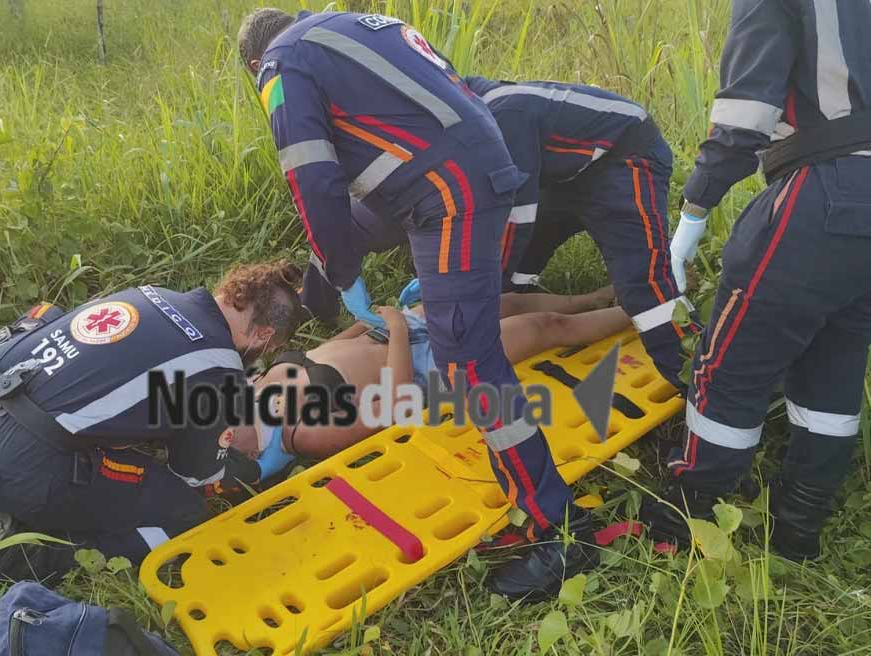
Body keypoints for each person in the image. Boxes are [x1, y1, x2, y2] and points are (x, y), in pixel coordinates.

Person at [239, 7, 597, 601]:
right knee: (466, 325)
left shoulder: (279, 66)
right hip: (469, 162)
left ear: (255, 63)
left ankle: (557, 525)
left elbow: (313, 178)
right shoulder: (351, 25)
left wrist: (345, 270)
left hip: (447, 188)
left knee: (470, 364)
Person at [640, 0, 871, 562]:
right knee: (837, 367)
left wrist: (693, 213)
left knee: (730, 367)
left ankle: (689, 520)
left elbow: (746, 116)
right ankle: (798, 532)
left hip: (825, 189)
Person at [0, 261, 305, 584]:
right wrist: (252, 468)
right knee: (184, 511)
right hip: (14, 471)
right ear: (263, 336)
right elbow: (196, 472)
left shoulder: (148, 294)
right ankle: (31, 558)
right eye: (267, 350)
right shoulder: (218, 366)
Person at [462, 76, 692, 390]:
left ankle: (694, 378)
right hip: (568, 170)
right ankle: (518, 306)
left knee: (644, 287)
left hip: (625, 159)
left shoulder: (503, 115)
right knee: (520, 264)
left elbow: (516, 215)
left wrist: (483, 283)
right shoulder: (470, 111)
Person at [259, 287, 625, 458]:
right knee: (542, 326)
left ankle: (586, 299)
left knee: (503, 302)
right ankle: (645, 312)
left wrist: (368, 321)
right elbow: (395, 402)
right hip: (427, 368)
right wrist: (399, 329)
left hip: (389, 332)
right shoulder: (307, 434)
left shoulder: (257, 386)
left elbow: (320, 352)